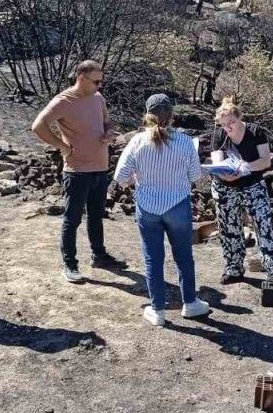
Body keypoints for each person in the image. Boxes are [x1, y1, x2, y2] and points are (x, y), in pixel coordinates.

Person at [113, 94, 210, 326]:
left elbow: (120, 176)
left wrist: (139, 181)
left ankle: (157, 310)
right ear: (172, 115)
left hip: (147, 207)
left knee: (153, 258)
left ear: (147, 115)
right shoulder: (186, 142)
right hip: (178, 204)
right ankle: (190, 303)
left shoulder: (137, 141)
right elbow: (195, 176)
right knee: (184, 256)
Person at [32, 60, 127, 283]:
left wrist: (108, 133)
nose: (99, 85)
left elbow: (108, 122)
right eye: (96, 81)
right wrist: (61, 146)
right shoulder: (64, 101)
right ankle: (70, 264)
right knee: (72, 219)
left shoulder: (98, 98)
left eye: (101, 81)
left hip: (100, 167)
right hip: (77, 170)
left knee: (96, 216)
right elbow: (38, 126)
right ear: (81, 78)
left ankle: (99, 256)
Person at [208, 97, 273, 284]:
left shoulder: (256, 131)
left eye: (231, 122)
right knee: (228, 227)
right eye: (224, 124)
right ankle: (233, 268)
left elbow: (265, 161)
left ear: (239, 118)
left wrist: (245, 168)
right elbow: (217, 159)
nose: (228, 127)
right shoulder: (219, 134)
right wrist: (224, 174)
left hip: (252, 184)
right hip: (226, 187)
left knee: (263, 223)